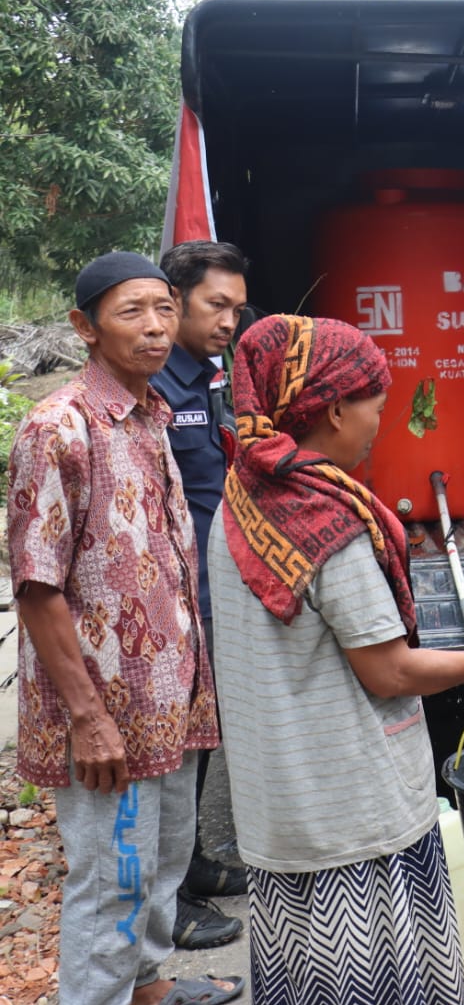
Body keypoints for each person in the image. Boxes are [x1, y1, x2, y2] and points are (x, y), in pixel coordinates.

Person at [208, 314, 464, 1005]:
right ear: (335, 407)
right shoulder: (330, 529)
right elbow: (389, 672)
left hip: (280, 800)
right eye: (377, 402)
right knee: (376, 981)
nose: (382, 419)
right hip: (350, 813)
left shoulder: (244, 493)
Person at [8, 252, 242, 1005]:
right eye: (129, 312)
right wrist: (88, 717)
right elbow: (37, 588)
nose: (153, 327)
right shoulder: (60, 429)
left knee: (163, 862)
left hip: (167, 699)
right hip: (104, 714)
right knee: (113, 880)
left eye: (162, 309)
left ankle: (149, 989)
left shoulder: (153, 414)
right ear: (84, 327)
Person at [150, 240, 251, 951]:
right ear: (174, 300)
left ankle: (194, 865)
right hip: (174, 604)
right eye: (217, 305)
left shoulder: (217, 376)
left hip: (221, 589)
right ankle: (169, 899)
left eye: (237, 309)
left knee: (205, 735)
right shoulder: (152, 388)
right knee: (174, 753)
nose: (228, 321)